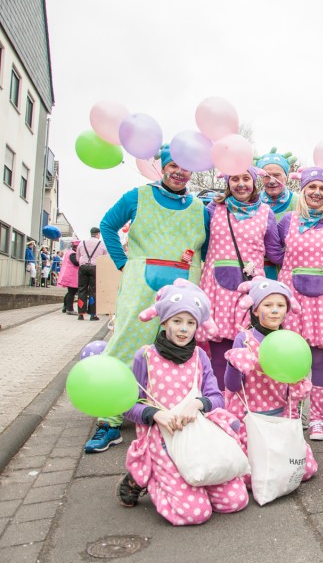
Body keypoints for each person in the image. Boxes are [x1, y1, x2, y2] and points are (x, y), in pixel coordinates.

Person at [93, 145, 210, 454]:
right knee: (124, 347)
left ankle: (171, 415)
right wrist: (122, 263)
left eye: (185, 167)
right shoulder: (137, 196)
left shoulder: (200, 209)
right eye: (173, 165)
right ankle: (110, 420)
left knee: (178, 351)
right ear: (162, 167)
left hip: (183, 289)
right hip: (139, 286)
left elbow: (208, 249)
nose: (179, 172)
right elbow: (107, 224)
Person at [116, 279, 249, 525]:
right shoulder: (144, 356)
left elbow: (217, 398)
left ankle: (196, 486)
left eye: (190, 323)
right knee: (194, 513)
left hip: (197, 434)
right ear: (164, 321)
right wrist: (156, 414)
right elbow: (127, 405)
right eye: (177, 321)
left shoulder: (200, 356)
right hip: (163, 438)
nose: (183, 329)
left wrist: (197, 404)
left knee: (235, 501)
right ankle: (147, 475)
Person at [223, 277, 318, 483]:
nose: (275, 310)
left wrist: (299, 388)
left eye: (280, 305)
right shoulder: (245, 339)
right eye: (268, 305)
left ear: (287, 309)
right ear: (255, 310)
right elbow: (231, 386)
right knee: (251, 477)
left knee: (306, 469)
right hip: (249, 418)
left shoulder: (290, 340)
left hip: (279, 417)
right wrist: (234, 363)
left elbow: (293, 386)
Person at [275, 167, 323, 442]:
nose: (316, 193)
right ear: (302, 191)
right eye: (311, 188)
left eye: (322, 189)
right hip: (292, 299)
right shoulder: (286, 222)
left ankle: (317, 420)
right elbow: (273, 252)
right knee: (291, 359)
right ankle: (292, 414)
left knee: (319, 361)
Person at [201, 165, 283, 390]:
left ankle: (246, 406)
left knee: (249, 350)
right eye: (234, 179)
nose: (241, 184)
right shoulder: (213, 209)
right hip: (216, 289)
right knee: (218, 352)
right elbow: (203, 245)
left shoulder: (266, 213)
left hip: (250, 293)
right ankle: (219, 406)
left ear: (254, 182)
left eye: (246, 178)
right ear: (227, 183)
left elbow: (274, 252)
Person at [256, 148, 297, 280]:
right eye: (266, 176)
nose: (272, 181)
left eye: (277, 175)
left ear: (286, 176)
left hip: (289, 270)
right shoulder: (252, 202)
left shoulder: (297, 202)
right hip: (257, 271)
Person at [76, 227, 108, 321]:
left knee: (82, 290)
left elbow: (78, 257)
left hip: (83, 267)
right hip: (95, 267)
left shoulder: (82, 243)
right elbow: (105, 257)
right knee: (93, 291)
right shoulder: (101, 244)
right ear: (98, 234)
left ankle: (81, 314)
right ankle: (93, 314)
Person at [58, 240, 80, 314]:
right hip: (71, 275)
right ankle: (69, 309)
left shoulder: (69, 252)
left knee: (70, 292)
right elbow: (76, 262)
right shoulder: (73, 254)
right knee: (71, 292)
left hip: (69, 274)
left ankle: (65, 307)